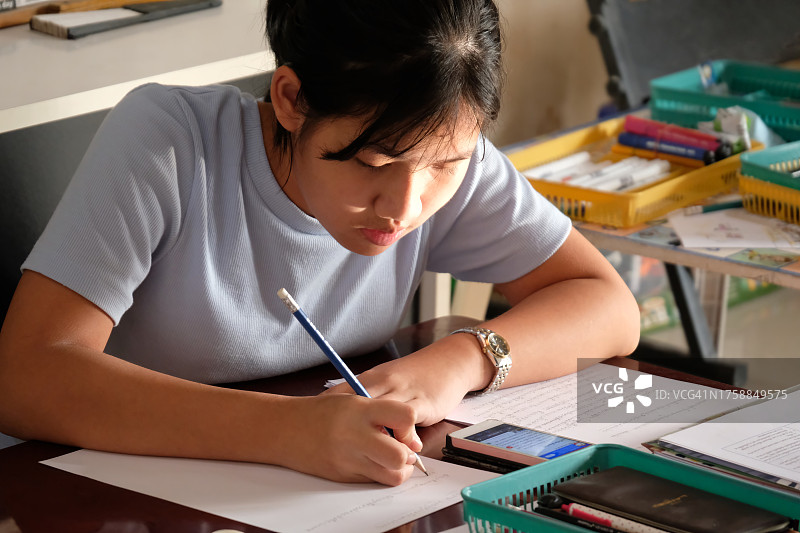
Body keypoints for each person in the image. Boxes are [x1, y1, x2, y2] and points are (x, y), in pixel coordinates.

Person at [0, 0, 639, 486]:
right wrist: (290, 432)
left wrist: (459, 363)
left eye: (445, 165)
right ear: (291, 100)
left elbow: (609, 307)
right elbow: (26, 376)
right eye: (372, 163)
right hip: (94, 487)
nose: (406, 206)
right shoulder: (170, 144)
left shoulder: (444, 156)